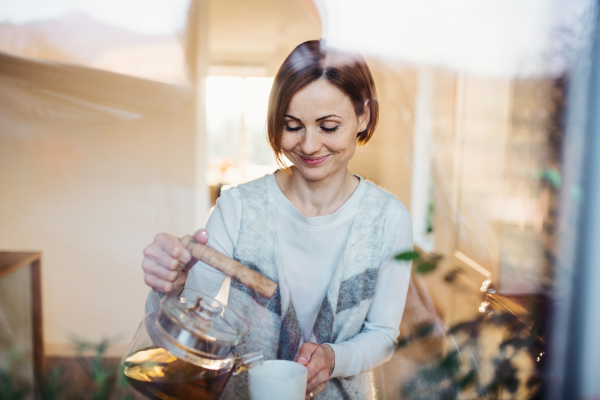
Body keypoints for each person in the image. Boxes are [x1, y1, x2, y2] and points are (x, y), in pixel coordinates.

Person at [141, 40, 412, 400]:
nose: (310, 145)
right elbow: (185, 326)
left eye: (328, 126)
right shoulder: (239, 207)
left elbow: (382, 334)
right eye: (292, 125)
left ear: (363, 116)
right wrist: (172, 286)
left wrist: (334, 358)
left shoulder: (388, 220)